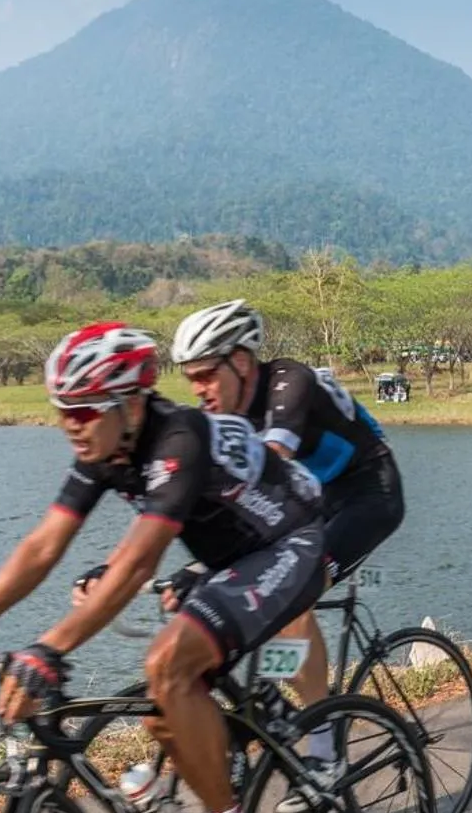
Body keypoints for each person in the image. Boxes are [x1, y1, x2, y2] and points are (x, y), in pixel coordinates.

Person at [0, 323, 326, 813]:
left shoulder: (180, 437)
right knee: (161, 708)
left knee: (167, 662)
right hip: (231, 561)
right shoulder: (104, 448)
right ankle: (235, 804)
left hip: (289, 543)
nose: (70, 424)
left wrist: (50, 649)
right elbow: (43, 547)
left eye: (85, 410)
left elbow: (137, 562)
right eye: (62, 410)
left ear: (128, 403)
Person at [165, 299, 402, 786]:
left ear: (243, 361)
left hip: (367, 492)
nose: (198, 389)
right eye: (190, 377)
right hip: (310, 504)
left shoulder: (289, 382)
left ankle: (324, 749)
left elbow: (268, 473)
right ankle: (265, 700)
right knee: (244, 591)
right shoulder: (221, 417)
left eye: (207, 373)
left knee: (294, 593)